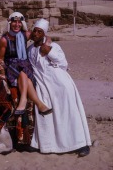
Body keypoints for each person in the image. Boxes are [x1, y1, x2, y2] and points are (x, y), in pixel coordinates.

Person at [28, 18, 92, 157]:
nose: (37, 33)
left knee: (69, 114)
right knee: (47, 116)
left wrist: (49, 50)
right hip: (44, 86)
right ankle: (46, 145)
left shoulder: (54, 46)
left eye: (40, 31)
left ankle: (81, 144)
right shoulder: (29, 50)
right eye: (35, 31)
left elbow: (64, 64)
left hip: (61, 84)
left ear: (44, 34)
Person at [0, 12, 52, 116]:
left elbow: (42, 34)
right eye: (14, 22)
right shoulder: (4, 40)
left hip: (25, 64)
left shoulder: (26, 35)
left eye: (19, 22)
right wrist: (2, 72)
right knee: (22, 71)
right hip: (11, 66)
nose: (17, 25)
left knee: (23, 70)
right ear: (10, 23)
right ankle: (33, 102)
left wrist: (47, 43)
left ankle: (31, 103)